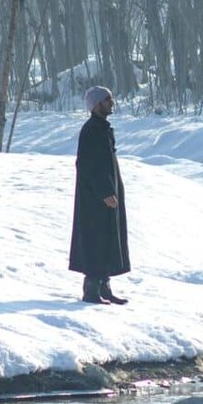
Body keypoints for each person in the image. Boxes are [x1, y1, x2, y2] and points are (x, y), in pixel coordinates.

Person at [69, 84, 129, 304]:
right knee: (96, 237)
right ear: (96, 105)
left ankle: (104, 286)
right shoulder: (91, 130)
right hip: (95, 197)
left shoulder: (102, 128)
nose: (111, 103)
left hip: (108, 193)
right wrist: (104, 191)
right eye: (107, 99)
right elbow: (88, 165)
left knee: (109, 237)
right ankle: (91, 289)